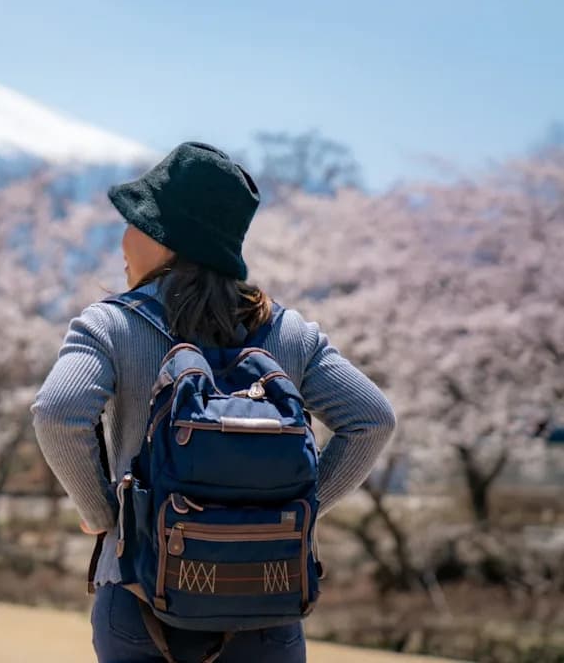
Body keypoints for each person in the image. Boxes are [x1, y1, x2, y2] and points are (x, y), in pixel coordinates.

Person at [32, 142, 396, 663]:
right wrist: (294, 509)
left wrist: (105, 514)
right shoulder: (288, 333)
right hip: (266, 601)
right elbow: (372, 420)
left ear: (167, 240)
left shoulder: (111, 323)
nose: (123, 240)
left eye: (136, 224)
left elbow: (56, 412)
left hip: (139, 601)